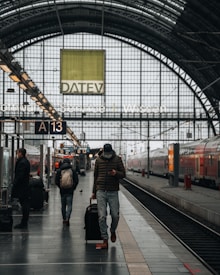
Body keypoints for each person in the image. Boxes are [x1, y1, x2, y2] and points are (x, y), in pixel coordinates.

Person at [91, 143, 126, 249]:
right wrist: (94, 192)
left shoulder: (117, 159)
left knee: (115, 215)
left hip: (113, 191)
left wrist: (116, 173)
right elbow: (95, 176)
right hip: (100, 190)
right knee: (101, 216)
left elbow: (123, 174)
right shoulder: (98, 160)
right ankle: (105, 239)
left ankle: (112, 230)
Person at [55, 158, 79, 226]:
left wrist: (60, 187)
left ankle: (64, 218)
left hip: (62, 191)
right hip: (70, 191)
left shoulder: (59, 170)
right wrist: (73, 187)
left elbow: (56, 181)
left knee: (63, 205)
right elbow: (76, 180)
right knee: (69, 205)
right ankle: (67, 218)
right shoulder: (72, 170)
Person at [12, 148, 31, 229]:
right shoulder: (25, 161)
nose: (17, 154)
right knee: (24, 204)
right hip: (25, 187)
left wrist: (15, 183)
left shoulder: (22, 162)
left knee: (24, 204)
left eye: (18, 153)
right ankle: (24, 222)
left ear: (21, 153)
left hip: (22, 188)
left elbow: (20, 175)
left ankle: (24, 222)